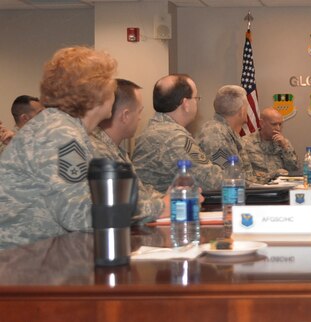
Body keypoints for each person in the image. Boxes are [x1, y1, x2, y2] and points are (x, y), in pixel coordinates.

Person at [0, 47, 118, 248]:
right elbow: (79, 215)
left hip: (38, 253)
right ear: (97, 95)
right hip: (24, 259)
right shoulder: (61, 134)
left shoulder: (59, 126)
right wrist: (155, 208)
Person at [90, 79, 167, 225]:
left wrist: (169, 197)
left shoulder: (115, 149)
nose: (139, 118)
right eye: (139, 112)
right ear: (125, 115)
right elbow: (117, 208)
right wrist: (162, 206)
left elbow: (139, 191)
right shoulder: (98, 152)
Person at [133, 74, 224, 192]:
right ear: (186, 104)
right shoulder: (175, 138)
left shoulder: (155, 128)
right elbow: (213, 182)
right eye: (196, 98)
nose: (197, 103)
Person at [196, 85, 258, 183]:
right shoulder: (215, 135)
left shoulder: (225, 131)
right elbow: (228, 179)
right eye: (247, 108)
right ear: (242, 111)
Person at [242, 107, 300, 182]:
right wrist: (273, 174)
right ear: (262, 123)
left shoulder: (284, 142)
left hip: (282, 186)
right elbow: (245, 175)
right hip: (258, 187)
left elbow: (295, 169)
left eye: (280, 124)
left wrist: (285, 148)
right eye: (274, 124)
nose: (278, 128)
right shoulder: (245, 143)